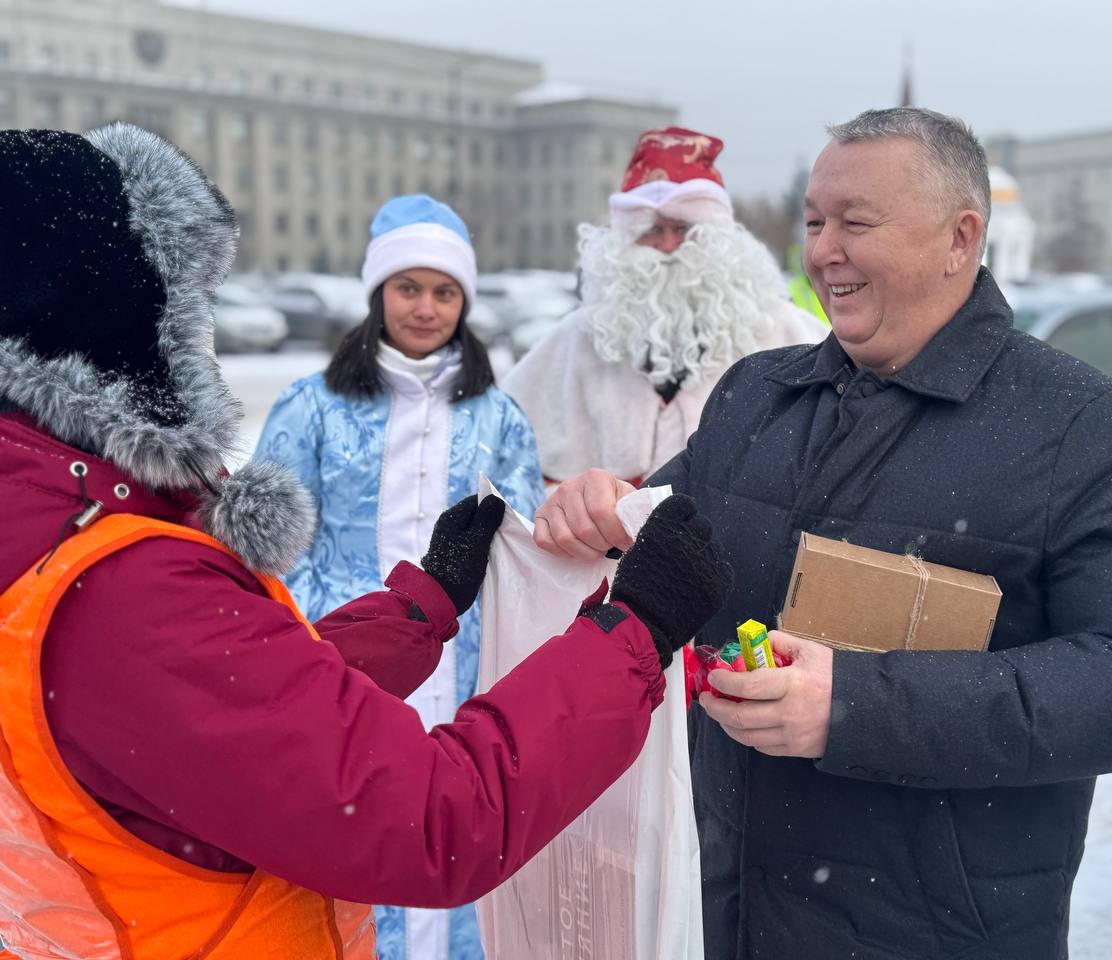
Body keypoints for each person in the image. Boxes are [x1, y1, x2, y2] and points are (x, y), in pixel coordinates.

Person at [0, 124, 733, 959]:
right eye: (186, 302)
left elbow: (243, 706)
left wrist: (417, 608)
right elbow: (424, 820)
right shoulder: (120, 582)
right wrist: (633, 628)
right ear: (126, 323)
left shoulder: (49, 523)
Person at [530, 107, 1112, 959]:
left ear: (961, 238)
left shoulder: (1080, 426)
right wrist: (605, 509)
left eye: (856, 223)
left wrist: (854, 708)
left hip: (939, 932)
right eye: (815, 221)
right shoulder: (755, 396)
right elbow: (667, 533)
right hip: (730, 910)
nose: (822, 251)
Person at [254, 194, 542, 960]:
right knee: (352, 827)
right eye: (408, 287)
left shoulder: (497, 416)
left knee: (453, 828)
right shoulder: (309, 408)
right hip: (342, 660)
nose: (426, 307)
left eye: (444, 291)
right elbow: (269, 546)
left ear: (465, 301)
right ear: (378, 294)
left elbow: (524, 544)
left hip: (466, 663)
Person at [502, 126, 826, 487]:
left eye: (683, 229)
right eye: (651, 230)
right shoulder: (577, 337)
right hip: (607, 540)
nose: (669, 246)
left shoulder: (783, 330)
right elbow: (509, 448)